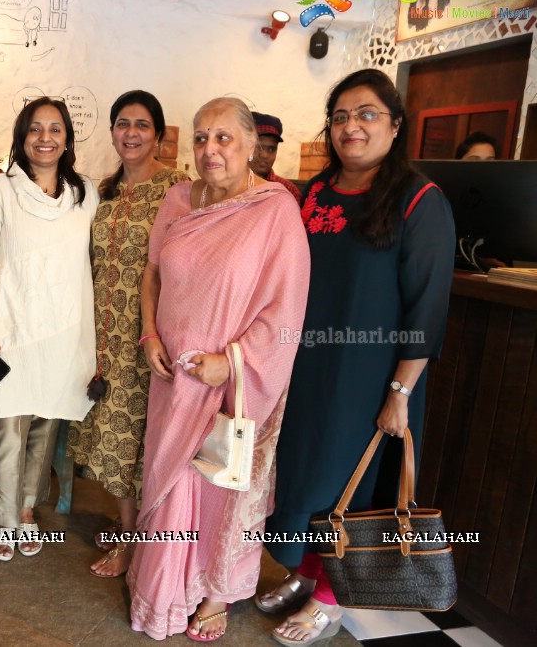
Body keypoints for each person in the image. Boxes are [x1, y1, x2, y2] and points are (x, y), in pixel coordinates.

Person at [260, 69, 455, 646]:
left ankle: (330, 598)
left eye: (367, 114)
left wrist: (400, 393)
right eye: (341, 116)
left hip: (370, 381)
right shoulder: (314, 194)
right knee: (301, 479)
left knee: (346, 485)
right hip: (307, 367)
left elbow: (427, 308)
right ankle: (307, 573)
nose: (352, 127)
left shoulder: (420, 200)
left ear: (395, 126)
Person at [126, 97, 310, 641]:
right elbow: (152, 275)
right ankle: (162, 588)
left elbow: (287, 310)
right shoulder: (179, 199)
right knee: (168, 482)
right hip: (173, 378)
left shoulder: (275, 212)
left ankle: (212, 593)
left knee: (215, 488)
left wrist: (230, 365)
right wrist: (150, 333)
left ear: (253, 145)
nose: (210, 149)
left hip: (231, 386)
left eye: (224, 138)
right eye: (201, 138)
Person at [0, 96, 98, 562]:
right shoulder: (0, 190)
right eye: (35, 129)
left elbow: (88, 266)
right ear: (22, 138)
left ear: (67, 137)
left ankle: (26, 510)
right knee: (9, 425)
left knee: (47, 423)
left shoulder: (85, 192)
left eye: (55, 129)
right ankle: (4, 519)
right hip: (11, 328)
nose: (46, 138)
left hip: (65, 329)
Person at [66, 90, 188, 578]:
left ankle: (143, 543)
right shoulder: (104, 190)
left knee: (145, 440)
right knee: (112, 439)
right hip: (101, 336)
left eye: (141, 124)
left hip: (151, 335)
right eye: (122, 124)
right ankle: (128, 531)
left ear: (158, 134)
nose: (131, 133)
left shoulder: (178, 189)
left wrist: (159, 328)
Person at [251, 111, 303, 202]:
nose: (264, 155)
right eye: (258, 147)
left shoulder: (289, 190)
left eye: (271, 149)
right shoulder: (230, 186)